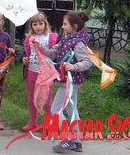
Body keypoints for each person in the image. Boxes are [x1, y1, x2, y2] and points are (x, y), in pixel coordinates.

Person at [32, 11, 92, 153]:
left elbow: (87, 62)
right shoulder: (66, 38)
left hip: (71, 82)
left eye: (65, 24)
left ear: (74, 26)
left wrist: (74, 66)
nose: (62, 26)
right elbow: (53, 53)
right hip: (67, 81)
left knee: (55, 110)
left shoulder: (77, 43)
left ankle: (69, 139)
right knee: (72, 109)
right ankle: (76, 141)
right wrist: (40, 46)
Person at [22, 12, 58, 132]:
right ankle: (33, 122)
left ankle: (50, 124)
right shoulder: (29, 39)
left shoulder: (51, 37)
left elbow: (54, 55)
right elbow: (27, 54)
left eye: (41, 23)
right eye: (35, 24)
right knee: (32, 98)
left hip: (46, 74)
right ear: (31, 26)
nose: (38, 27)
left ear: (45, 24)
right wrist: (25, 60)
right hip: (32, 71)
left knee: (47, 100)